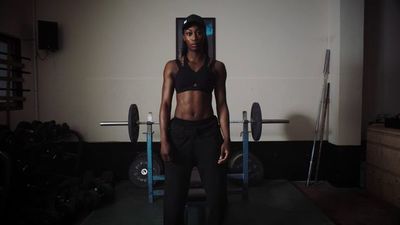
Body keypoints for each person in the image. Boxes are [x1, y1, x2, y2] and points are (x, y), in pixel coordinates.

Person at [159, 14, 230, 225]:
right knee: (174, 200)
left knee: (218, 197)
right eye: (189, 33)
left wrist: (226, 139)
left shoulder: (217, 67)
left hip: (208, 133)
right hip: (179, 134)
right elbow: (164, 105)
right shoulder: (172, 66)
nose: (194, 37)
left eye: (198, 32)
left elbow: (222, 105)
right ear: (183, 37)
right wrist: (164, 140)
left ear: (204, 36)